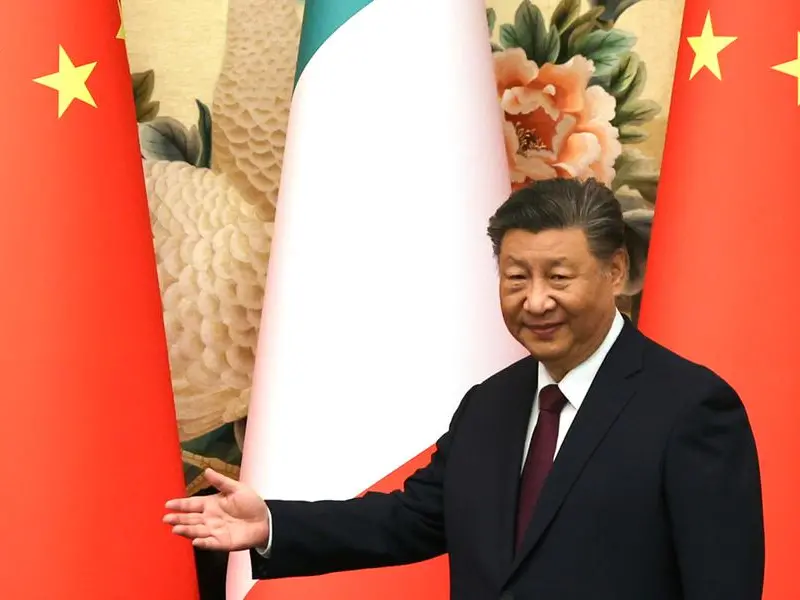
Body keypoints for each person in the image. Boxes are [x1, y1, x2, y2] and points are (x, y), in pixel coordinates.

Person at [164, 177, 765, 599]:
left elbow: (722, 586)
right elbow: (412, 519)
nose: (536, 300)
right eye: (516, 277)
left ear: (615, 272)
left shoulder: (689, 408)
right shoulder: (490, 404)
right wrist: (271, 524)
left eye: (559, 277)